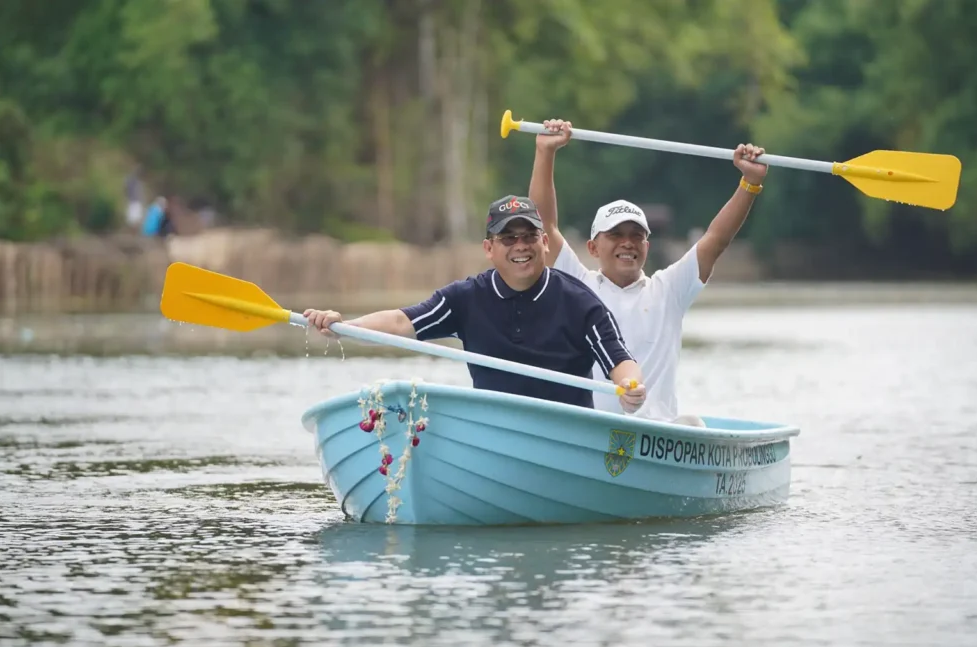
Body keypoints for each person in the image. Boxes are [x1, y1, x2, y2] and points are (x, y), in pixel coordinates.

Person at [303, 195, 648, 413]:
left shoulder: (580, 302)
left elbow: (620, 362)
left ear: (544, 242)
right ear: (489, 248)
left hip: (567, 433)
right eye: (508, 238)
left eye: (529, 237)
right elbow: (399, 323)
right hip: (494, 426)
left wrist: (631, 388)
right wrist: (342, 327)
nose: (520, 246)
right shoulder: (465, 298)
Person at [527, 118, 769, 426]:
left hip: (655, 435)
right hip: (588, 430)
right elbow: (543, 226)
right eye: (615, 235)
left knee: (692, 423)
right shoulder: (575, 284)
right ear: (592, 248)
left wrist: (750, 183)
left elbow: (715, 240)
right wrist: (545, 152)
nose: (627, 243)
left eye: (636, 235)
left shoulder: (668, 289)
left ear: (647, 246)